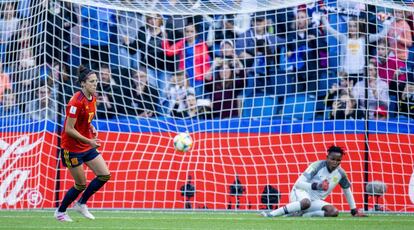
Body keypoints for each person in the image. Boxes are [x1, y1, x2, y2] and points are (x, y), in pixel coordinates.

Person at [54, 65, 110, 222]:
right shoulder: (75, 102)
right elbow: (69, 129)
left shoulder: (94, 97)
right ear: (83, 83)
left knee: (104, 175)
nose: (95, 84)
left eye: (96, 81)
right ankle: (60, 212)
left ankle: (81, 204)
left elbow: (85, 119)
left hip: (86, 145)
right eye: (92, 81)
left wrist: (91, 127)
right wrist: (90, 141)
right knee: (81, 184)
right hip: (72, 148)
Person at [261, 145, 367, 218]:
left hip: (315, 200)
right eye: (332, 159)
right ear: (327, 157)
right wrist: (317, 186)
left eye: (338, 160)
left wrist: (353, 210)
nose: (335, 162)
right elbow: (298, 184)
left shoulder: (341, 173)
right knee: (306, 202)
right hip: (300, 193)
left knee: (333, 212)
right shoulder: (316, 166)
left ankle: (302, 215)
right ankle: (271, 214)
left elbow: (347, 190)